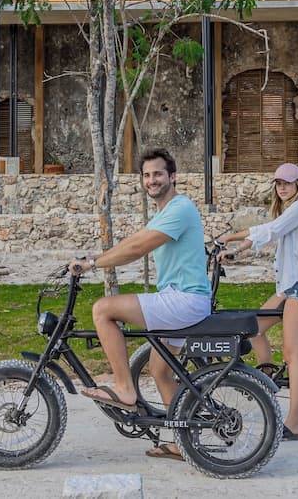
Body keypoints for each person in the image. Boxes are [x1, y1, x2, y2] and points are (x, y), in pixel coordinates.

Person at [68, 148, 210, 461]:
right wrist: (95, 257)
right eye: (146, 175)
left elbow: (138, 248)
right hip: (182, 300)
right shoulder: (164, 213)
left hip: (183, 300)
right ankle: (183, 442)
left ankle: (124, 388)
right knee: (160, 371)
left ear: (172, 177)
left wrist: (93, 263)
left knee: (103, 309)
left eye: (158, 174)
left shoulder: (180, 208)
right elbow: (133, 242)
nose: (151, 180)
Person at [218, 162, 298, 441]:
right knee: (254, 328)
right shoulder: (290, 210)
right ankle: (265, 380)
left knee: (292, 355)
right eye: (278, 183)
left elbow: (271, 231)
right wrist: (232, 241)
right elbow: (268, 228)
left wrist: (236, 245)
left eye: (287, 183)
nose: (282, 187)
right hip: (289, 287)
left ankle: (294, 424)